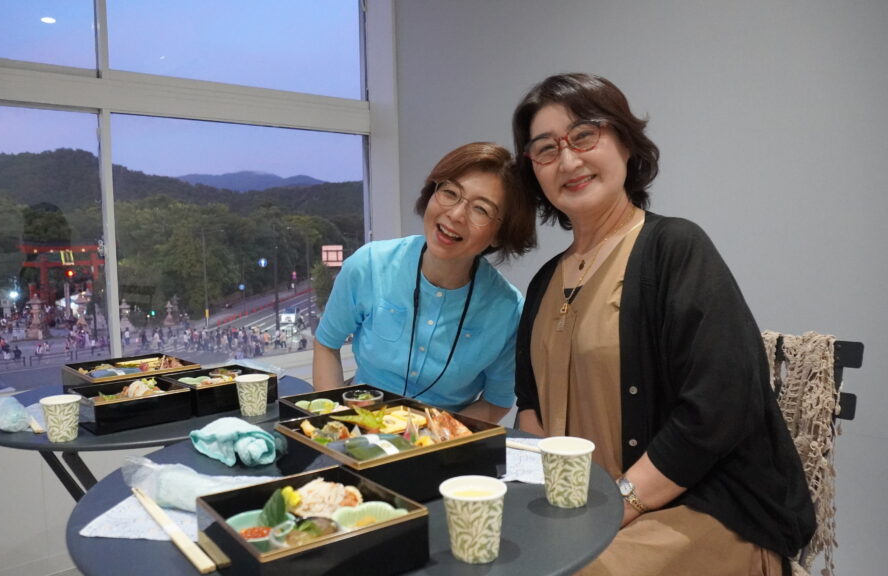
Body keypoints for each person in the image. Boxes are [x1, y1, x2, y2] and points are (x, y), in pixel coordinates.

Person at [510, 73, 814, 574]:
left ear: (625, 142)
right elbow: (530, 407)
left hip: (700, 508)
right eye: (546, 149)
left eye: (584, 135)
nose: (568, 160)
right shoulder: (545, 281)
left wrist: (621, 504)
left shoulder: (675, 248)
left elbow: (719, 405)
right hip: (588, 510)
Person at [313, 142, 537, 423]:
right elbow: (327, 343)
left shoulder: (508, 311)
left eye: (481, 209)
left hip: (441, 441)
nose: (455, 215)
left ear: (499, 234)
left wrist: (435, 435)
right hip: (360, 425)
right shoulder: (369, 265)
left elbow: (496, 402)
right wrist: (336, 423)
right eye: (450, 193)